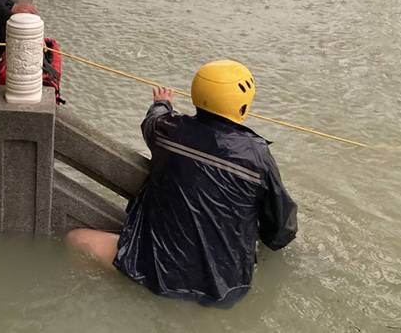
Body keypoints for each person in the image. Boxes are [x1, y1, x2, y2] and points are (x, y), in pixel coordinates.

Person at [66, 60, 298, 306]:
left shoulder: (168, 131)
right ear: (242, 107)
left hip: (154, 271)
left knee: (77, 241)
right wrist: (272, 243)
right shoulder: (258, 157)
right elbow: (281, 223)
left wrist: (162, 103)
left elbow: (153, 122)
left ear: (196, 96)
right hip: (224, 288)